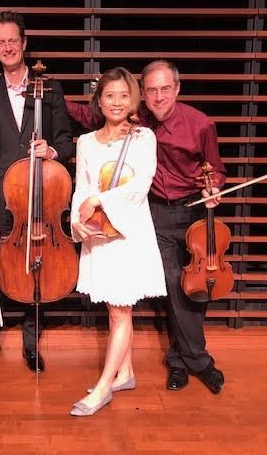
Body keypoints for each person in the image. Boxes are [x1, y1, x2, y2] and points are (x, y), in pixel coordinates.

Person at [65, 60, 227, 395]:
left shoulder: (199, 125)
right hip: (153, 213)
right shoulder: (136, 122)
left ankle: (190, 358)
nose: (158, 96)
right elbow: (95, 115)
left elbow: (216, 168)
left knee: (195, 287)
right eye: (151, 90)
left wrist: (214, 189)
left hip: (192, 210)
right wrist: (50, 94)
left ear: (177, 89)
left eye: (165, 88)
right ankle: (185, 361)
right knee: (172, 283)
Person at [0, 11, 75, 373]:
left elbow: (66, 142)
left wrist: (53, 151)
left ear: (24, 43)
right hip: (4, 196)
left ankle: (31, 342)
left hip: (42, 194)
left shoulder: (51, 88)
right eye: (1, 42)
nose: (8, 47)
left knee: (37, 270)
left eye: (14, 40)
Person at [69, 67, 166, 416]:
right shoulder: (85, 142)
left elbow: (140, 186)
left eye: (124, 95)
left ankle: (103, 387)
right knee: (113, 308)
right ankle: (125, 372)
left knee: (122, 310)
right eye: (109, 95)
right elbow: (81, 187)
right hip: (98, 234)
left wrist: (98, 201)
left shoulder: (143, 138)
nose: (116, 102)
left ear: (133, 100)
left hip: (128, 235)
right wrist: (76, 222)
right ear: (99, 99)